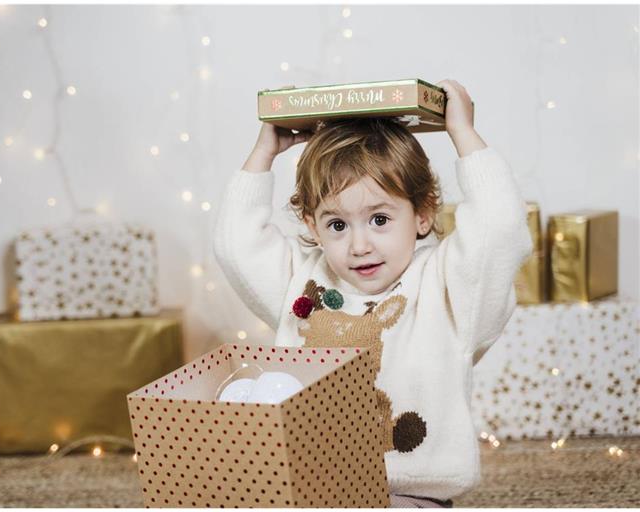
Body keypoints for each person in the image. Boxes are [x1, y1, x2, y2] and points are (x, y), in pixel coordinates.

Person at [213, 79, 533, 507]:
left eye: (379, 219)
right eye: (338, 225)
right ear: (312, 226)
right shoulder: (302, 280)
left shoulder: (448, 286)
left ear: (422, 214)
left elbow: (499, 229)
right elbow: (236, 246)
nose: (359, 245)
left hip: (409, 493)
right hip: (315, 489)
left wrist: (464, 133)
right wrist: (263, 154)